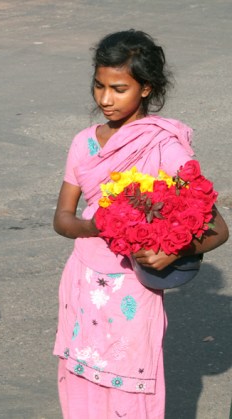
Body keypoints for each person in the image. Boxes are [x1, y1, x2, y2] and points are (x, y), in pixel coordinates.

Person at [52, 30, 228, 418]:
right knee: (82, 375)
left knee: (129, 380)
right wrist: (99, 225)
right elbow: (63, 219)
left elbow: (218, 229)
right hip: (82, 282)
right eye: (99, 86)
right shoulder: (85, 142)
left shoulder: (165, 147)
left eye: (119, 88)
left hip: (132, 288)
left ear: (146, 89)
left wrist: (172, 250)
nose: (105, 99)